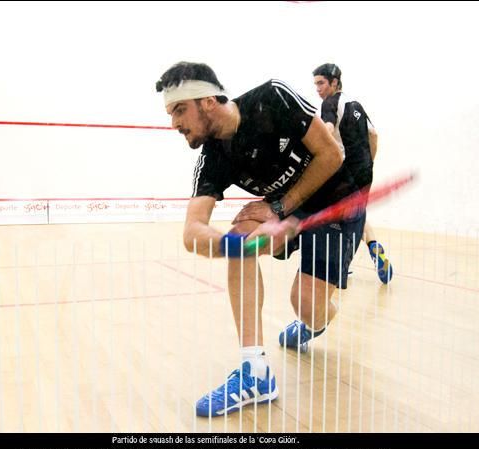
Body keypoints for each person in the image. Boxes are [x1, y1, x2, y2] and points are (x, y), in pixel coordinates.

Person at [155, 62, 366, 417]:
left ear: (207, 101)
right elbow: (193, 232)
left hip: (334, 204)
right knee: (240, 234)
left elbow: (332, 154)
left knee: (308, 308)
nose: (174, 123)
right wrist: (238, 246)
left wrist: (280, 208)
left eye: (179, 110)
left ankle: (318, 320)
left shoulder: (272, 98)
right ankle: (255, 372)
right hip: (285, 211)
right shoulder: (213, 157)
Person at [313, 63, 394, 284]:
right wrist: (369, 164)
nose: (317, 89)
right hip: (365, 172)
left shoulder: (330, 103)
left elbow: (327, 130)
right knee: (358, 214)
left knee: (340, 219)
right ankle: (374, 245)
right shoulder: (355, 104)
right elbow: (374, 135)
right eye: (316, 84)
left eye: (321, 83)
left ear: (334, 82)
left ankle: (342, 267)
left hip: (344, 174)